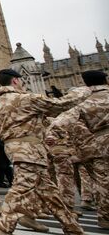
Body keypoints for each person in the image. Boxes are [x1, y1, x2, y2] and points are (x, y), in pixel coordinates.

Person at [0, 68, 87, 234]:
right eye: (21, 81)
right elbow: (61, 105)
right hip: (29, 151)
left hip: (17, 150)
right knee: (18, 193)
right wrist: (84, 91)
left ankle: (73, 228)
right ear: (15, 81)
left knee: (51, 194)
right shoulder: (28, 99)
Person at [45, 70, 109, 229]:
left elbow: (58, 124)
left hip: (100, 144)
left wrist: (53, 139)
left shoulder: (83, 102)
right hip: (93, 144)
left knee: (103, 182)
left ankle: (105, 218)